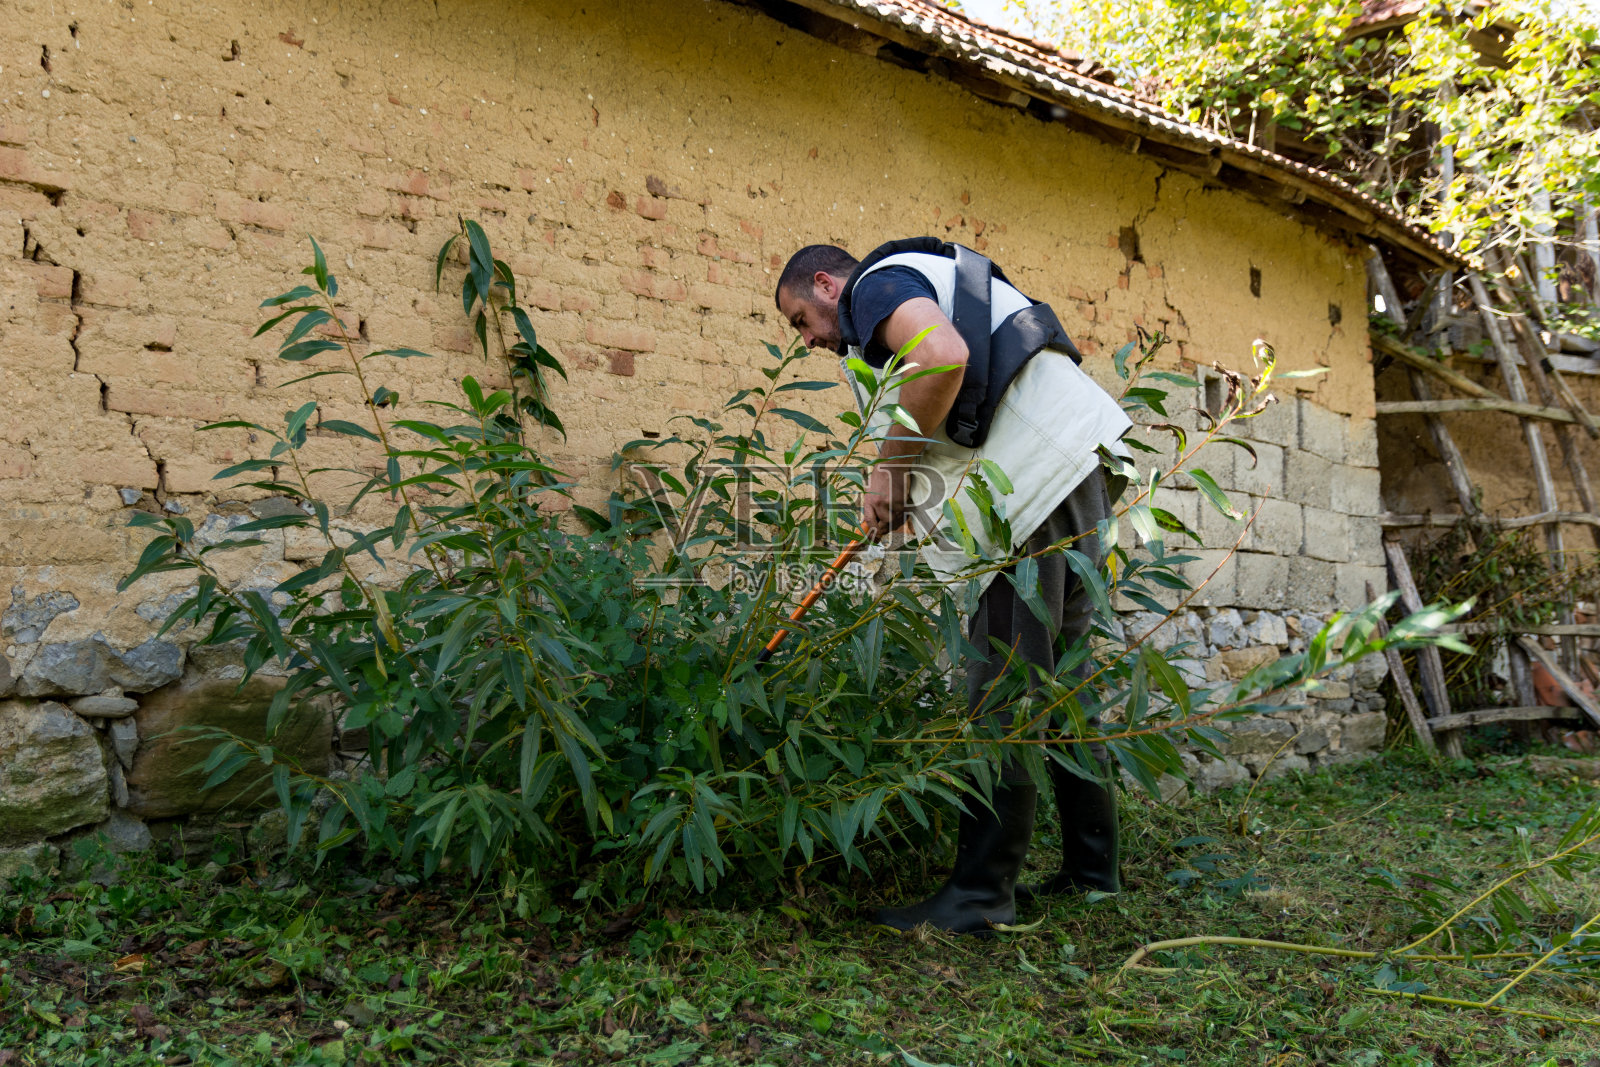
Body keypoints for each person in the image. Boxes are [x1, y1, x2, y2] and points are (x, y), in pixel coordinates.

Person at [774, 239, 1131, 935]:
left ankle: (980, 892)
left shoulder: (873, 287)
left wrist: (889, 471)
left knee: (1001, 687)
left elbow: (942, 356)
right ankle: (1094, 873)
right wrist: (907, 491)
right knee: (1064, 684)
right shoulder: (908, 289)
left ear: (824, 284)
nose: (810, 340)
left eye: (800, 320)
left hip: (1031, 489)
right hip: (1069, 467)